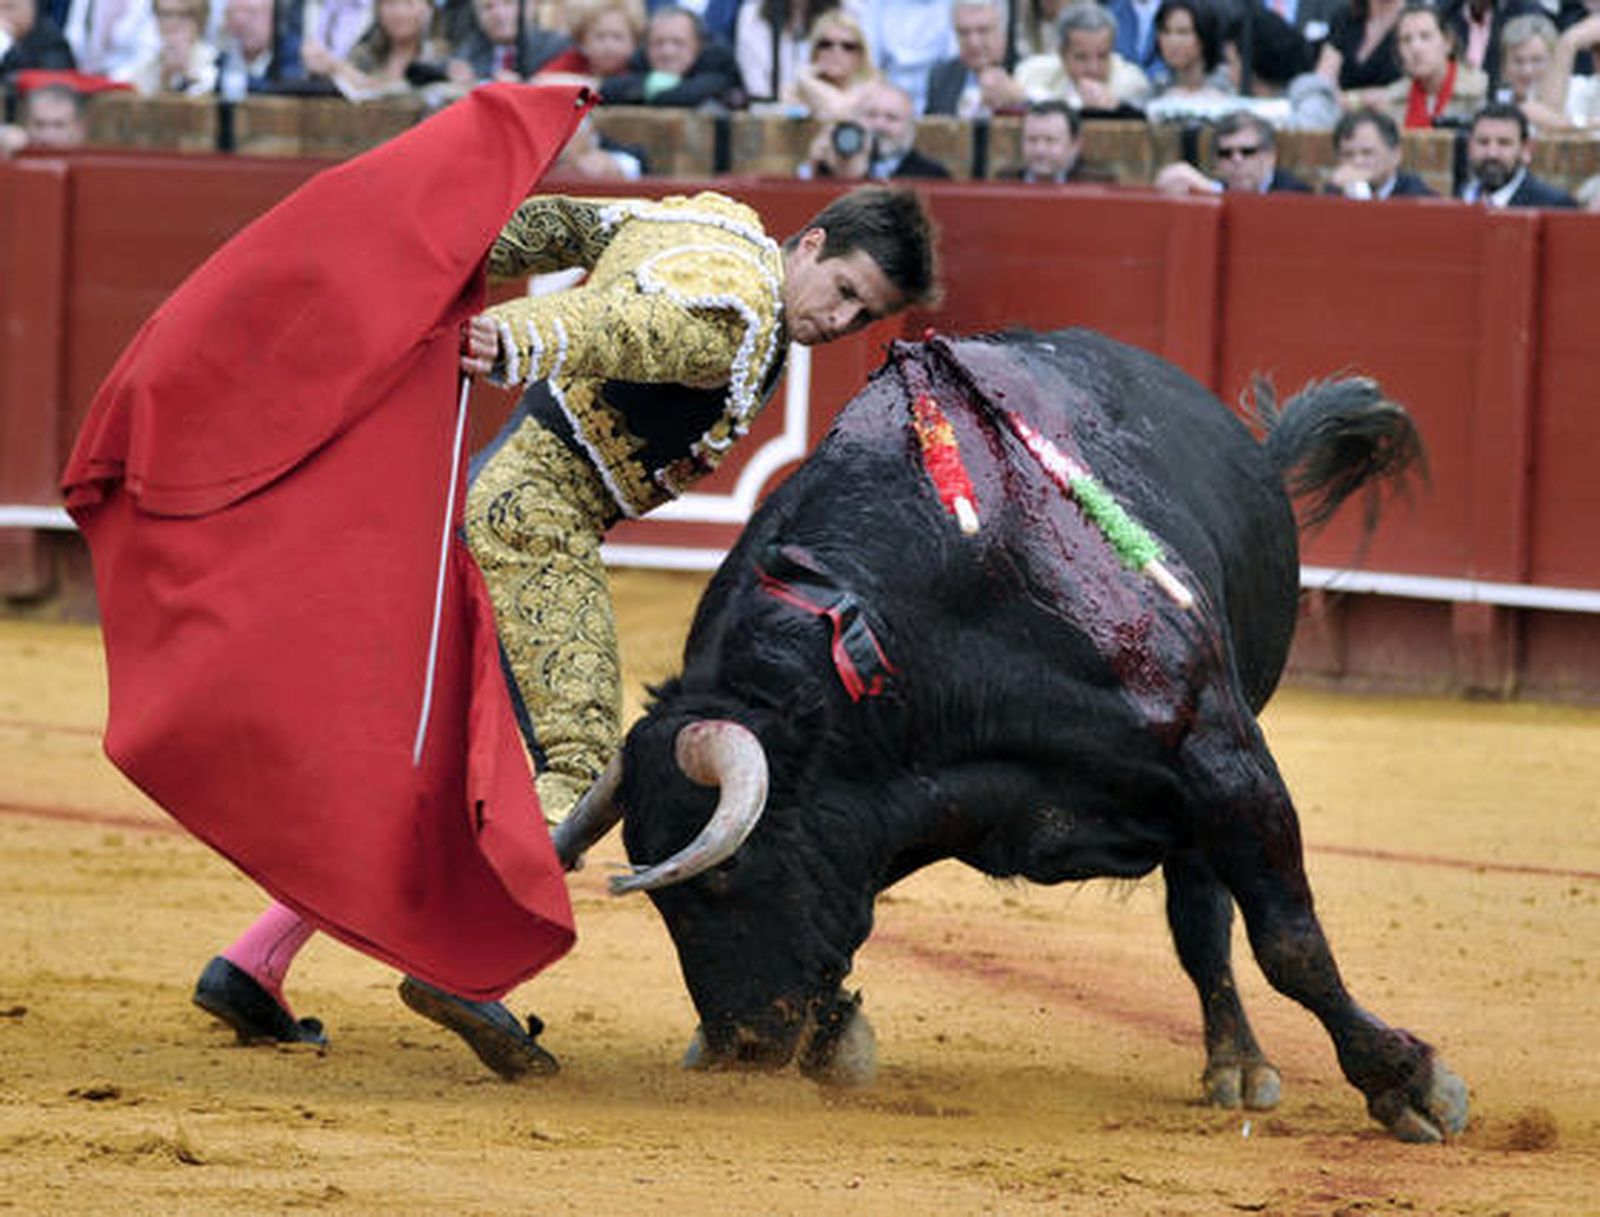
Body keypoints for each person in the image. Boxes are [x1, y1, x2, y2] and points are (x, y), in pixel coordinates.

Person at [193, 180, 940, 1078]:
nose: (841, 319)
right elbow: (624, 326)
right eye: (846, 290)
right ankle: (463, 962)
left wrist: (451, 253)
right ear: (812, 244)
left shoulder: (713, 221)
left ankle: (256, 960)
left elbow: (569, 225)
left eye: (866, 315)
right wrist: (515, 338)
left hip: (489, 501)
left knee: (428, 759)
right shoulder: (733, 318)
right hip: (534, 524)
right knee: (580, 762)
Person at [798, 78, 953, 179]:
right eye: (871, 115)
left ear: (909, 128)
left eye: (891, 118)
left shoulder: (932, 175)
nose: (879, 125)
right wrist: (815, 167)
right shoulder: (832, 164)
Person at [1368, 2, 1488, 129]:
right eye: (1406, 40)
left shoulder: (1479, 89)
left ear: (1448, 43)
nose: (1415, 48)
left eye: (1425, 37)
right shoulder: (1393, 99)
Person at [1014, 2, 1152, 112]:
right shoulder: (1032, 74)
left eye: (1102, 56)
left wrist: (1115, 108)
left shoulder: (1132, 84)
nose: (1093, 68)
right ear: (1062, 55)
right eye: (1082, 58)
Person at [598, 3, 743, 106]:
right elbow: (609, 91)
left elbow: (695, 92)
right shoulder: (639, 61)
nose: (667, 52)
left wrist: (650, 90)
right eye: (658, 43)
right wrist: (649, 84)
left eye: (678, 43)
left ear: (698, 44)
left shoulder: (718, 61)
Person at [301, 0, 449, 98]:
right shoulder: (363, 55)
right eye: (390, 3)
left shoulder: (440, 59)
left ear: (428, 9)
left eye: (408, 3)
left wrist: (340, 68)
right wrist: (327, 65)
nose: (399, 13)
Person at [1153, 108, 1312, 192]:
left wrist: (1209, 190)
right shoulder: (1218, 187)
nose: (1236, 160)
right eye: (1225, 154)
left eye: (1247, 152)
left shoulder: (1295, 192)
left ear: (1270, 157)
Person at [1457, 98, 1577, 205]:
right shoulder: (1461, 196)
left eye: (1504, 143)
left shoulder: (1553, 204)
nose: (1492, 153)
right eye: (1483, 142)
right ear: (1469, 146)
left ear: (1525, 149)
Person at [924, 0, 1026, 117]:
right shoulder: (941, 78)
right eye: (964, 33)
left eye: (983, 31)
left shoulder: (1028, 72)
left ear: (1002, 32)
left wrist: (1019, 98)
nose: (973, 43)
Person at [731, 0, 839, 102]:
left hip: (826, 106)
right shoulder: (752, 15)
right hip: (770, 110)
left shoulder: (839, 11)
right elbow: (757, 87)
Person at [860, 0, 956, 113]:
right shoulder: (878, 4)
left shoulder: (952, 5)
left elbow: (954, 62)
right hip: (888, 89)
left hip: (937, 93)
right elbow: (869, 58)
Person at [781, 7, 876, 119]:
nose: (836, 52)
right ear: (815, 52)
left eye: (847, 46)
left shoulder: (873, 92)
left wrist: (806, 80)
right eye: (826, 44)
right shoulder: (796, 92)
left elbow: (839, 112)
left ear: (860, 56)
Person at [994, 97, 1117, 181]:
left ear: (1075, 145)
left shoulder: (1097, 183)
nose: (1040, 150)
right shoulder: (1006, 180)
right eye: (1032, 140)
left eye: (1050, 140)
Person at [1324, 105, 1436, 196]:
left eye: (1367, 153)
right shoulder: (1334, 193)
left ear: (1396, 155)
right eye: (1348, 155)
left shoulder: (1417, 196)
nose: (1357, 162)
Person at [446, 0, 569, 83]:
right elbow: (446, 65)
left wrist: (522, 85)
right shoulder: (472, 49)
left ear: (529, 7)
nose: (499, 14)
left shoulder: (556, 48)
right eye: (488, 7)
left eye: (508, 3)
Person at [532, 0, 643, 89]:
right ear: (583, 42)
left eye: (617, 37)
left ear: (634, 42)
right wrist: (589, 83)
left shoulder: (638, 67)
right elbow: (538, 81)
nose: (608, 46)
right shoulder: (575, 60)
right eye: (600, 36)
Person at [112, 0, 215, 93]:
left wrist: (186, 74)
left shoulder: (214, 62)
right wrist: (165, 77)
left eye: (183, 15)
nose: (173, 22)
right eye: (166, 14)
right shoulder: (149, 64)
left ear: (200, 19)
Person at [1147, 0, 1236, 99]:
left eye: (1183, 32)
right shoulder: (1158, 89)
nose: (1173, 41)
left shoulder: (1230, 85)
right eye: (1166, 31)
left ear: (1204, 35)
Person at [1314, 0, 1404, 97]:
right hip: (1336, 103)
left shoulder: (1411, 18)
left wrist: (1351, 99)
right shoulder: (1346, 17)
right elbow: (1325, 77)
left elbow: (1404, 89)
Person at [0, 76, 85, 153]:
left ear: (78, 129)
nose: (48, 136)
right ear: (25, 125)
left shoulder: (90, 160)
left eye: (59, 125)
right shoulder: (14, 153)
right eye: (39, 125)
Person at [0, 0, 77, 85]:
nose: (2, 16)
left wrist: (8, 49)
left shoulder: (49, 38)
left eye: (9, 8)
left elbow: (55, 81)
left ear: (31, 8)